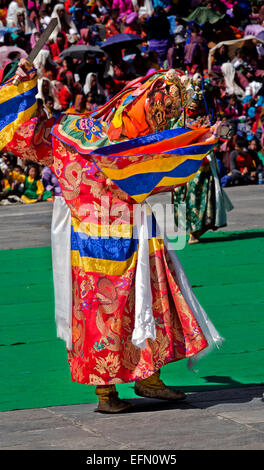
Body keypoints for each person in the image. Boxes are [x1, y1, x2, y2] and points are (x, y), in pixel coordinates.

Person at [4, 63, 223, 413]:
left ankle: (142, 380)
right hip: (104, 237)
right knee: (114, 311)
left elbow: (23, 133)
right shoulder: (97, 136)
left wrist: (24, 84)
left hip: (113, 233)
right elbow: (24, 137)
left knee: (131, 307)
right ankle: (110, 392)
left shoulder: (66, 131)